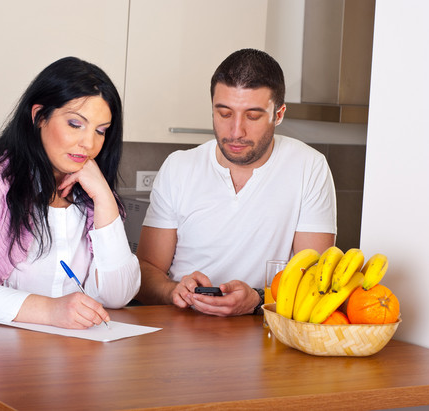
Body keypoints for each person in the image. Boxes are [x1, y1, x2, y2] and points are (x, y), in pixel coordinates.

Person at [0, 57, 140, 329]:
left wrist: (104, 197)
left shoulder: (90, 196)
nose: (89, 144)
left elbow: (118, 296)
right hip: (0, 359)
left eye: (100, 131)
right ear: (39, 116)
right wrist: (50, 310)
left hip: (77, 359)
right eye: (75, 124)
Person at [135, 48, 336, 316]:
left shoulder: (310, 167)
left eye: (252, 116)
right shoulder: (179, 167)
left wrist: (256, 299)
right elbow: (145, 273)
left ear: (279, 114)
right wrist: (173, 291)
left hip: (264, 333)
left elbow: (315, 281)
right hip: (181, 329)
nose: (236, 131)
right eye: (225, 114)